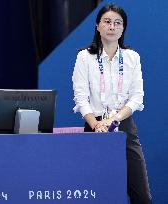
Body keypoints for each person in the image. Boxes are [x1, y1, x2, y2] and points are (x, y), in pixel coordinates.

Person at [72, 3, 152, 204]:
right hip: (94, 127)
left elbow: (136, 97)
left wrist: (114, 119)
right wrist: (97, 124)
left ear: (123, 28)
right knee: (97, 193)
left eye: (118, 23)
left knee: (142, 196)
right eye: (107, 21)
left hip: (123, 126)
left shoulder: (133, 57)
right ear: (98, 25)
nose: (112, 26)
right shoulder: (84, 57)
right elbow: (81, 97)